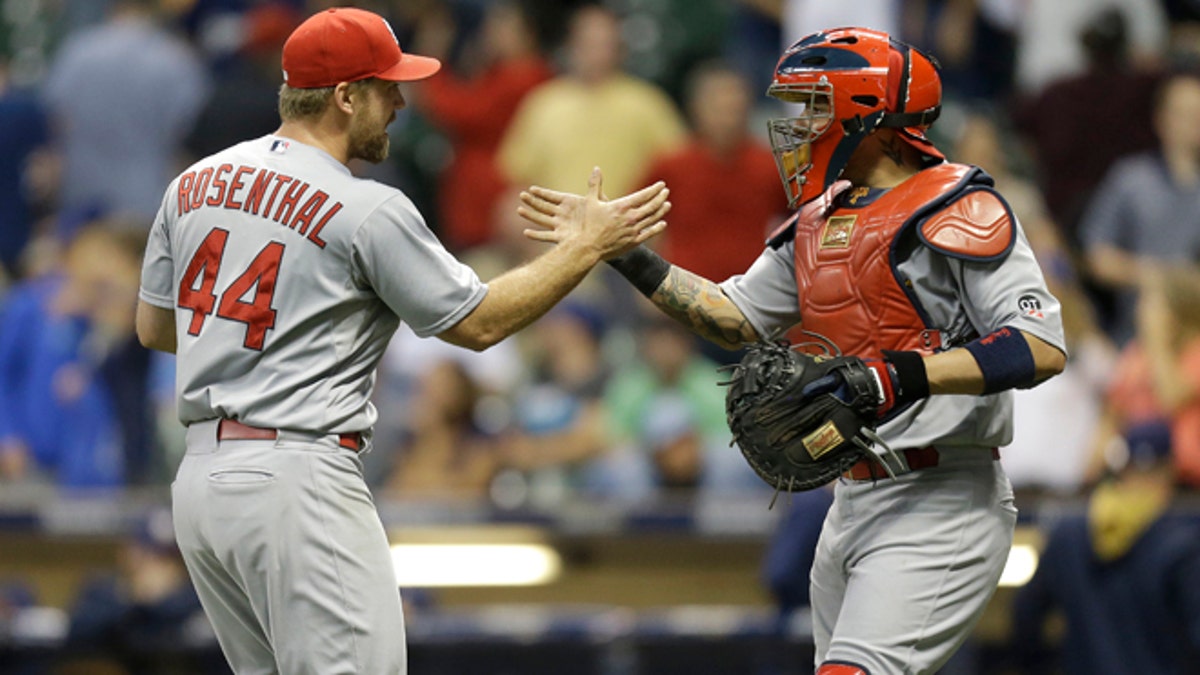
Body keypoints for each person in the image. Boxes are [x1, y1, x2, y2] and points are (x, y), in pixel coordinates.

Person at [134, 7, 670, 674]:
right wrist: (586, 246)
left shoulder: (193, 184)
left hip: (201, 483)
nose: (399, 101)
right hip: (298, 474)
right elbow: (479, 323)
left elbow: (155, 328)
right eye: (386, 87)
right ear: (344, 96)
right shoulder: (366, 206)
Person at [521, 27, 1067, 674]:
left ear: (866, 113)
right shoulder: (819, 218)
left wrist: (894, 377)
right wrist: (620, 252)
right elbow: (734, 316)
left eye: (814, 105)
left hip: (944, 494)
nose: (796, 125)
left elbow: (1039, 345)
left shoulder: (960, 203)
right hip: (850, 497)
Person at [1008, 420, 1200, 674]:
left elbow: (1026, 616)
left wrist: (1045, 666)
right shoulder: (1183, 540)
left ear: (1122, 468)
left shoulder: (1070, 531)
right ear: (1170, 470)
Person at [1078, 69, 1200, 345]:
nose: (1195, 122)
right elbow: (1096, 256)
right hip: (1137, 335)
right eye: (1186, 113)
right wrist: (1155, 276)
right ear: (1162, 120)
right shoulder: (1131, 179)